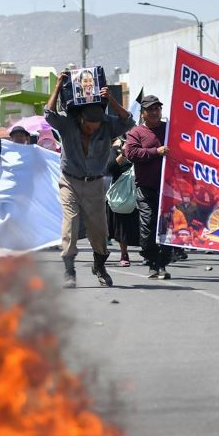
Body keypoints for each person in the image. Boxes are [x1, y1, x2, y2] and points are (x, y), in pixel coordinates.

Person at [44, 70, 135, 288]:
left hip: (95, 184)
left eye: (96, 128)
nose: (92, 131)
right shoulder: (68, 124)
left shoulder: (107, 124)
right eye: (88, 127)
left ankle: (100, 266)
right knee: (70, 224)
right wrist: (58, 87)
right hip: (70, 182)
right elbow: (48, 114)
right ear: (80, 119)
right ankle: (69, 271)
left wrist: (111, 99)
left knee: (99, 229)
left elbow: (128, 121)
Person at [122, 95, 175, 279]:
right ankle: (151, 261)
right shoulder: (136, 132)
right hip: (146, 188)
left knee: (168, 227)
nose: (154, 112)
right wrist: (156, 152)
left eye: (157, 108)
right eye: (150, 109)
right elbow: (131, 153)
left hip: (169, 188)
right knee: (148, 224)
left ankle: (163, 263)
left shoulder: (169, 129)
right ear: (143, 113)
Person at [105, 137, 140, 268]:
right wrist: (123, 154)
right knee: (122, 225)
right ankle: (124, 254)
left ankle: (149, 254)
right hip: (122, 194)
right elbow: (110, 168)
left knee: (145, 223)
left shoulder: (143, 146)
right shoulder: (117, 148)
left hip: (141, 189)